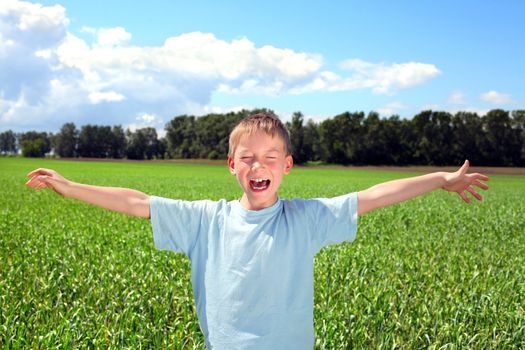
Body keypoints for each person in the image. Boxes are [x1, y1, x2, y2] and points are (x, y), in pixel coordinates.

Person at [26, 113, 489, 349]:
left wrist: (439, 180)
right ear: (232, 166)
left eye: (270, 158)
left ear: (286, 167)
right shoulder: (205, 220)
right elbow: (138, 202)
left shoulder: (306, 219)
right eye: (247, 157)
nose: (258, 166)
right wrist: (72, 188)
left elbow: (376, 194)